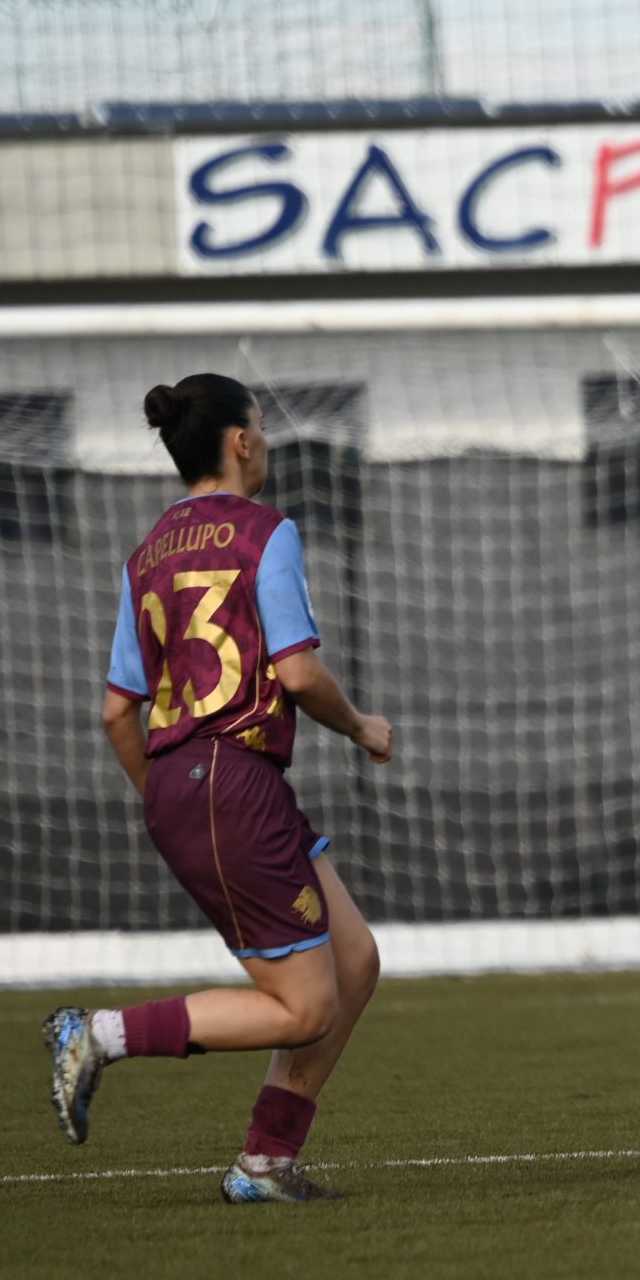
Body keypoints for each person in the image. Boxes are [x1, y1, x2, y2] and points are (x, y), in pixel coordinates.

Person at [42, 374, 393, 1203]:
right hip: (231, 777)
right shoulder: (267, 532)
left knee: (355, 960)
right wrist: (362, 727)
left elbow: (116, 712)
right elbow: (298, 674)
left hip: (191, 780)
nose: (265, 441)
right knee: (305, 1008)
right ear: (240, 441)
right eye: (261, 427)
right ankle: (99, 1034)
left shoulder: (146, 556)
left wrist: (167, 795)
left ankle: (265, 1163)